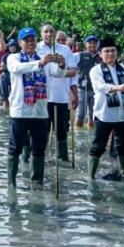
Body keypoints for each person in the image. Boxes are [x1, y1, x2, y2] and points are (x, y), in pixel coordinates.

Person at [6, 27, 65, 187]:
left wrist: (61, 63)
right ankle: (11, 184)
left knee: (39, 150)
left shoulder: (44, 60)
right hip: (20, 111)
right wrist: (40, 63)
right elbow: (16, 69)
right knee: (15, 148)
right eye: (27, 40)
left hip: (40, 112)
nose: (30, 43)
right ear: (20, 43)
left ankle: (37, 182)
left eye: (33, 39)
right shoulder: (14, 57)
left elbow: (58, 74)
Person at [86, 38, 124, 179]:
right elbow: (100, 87)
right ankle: (90, 178)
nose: (110, 54)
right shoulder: (96, 70)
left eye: (113, 51)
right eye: (107, 51)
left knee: (123, 147)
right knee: (98, 146)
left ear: (117, 53)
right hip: (104, 114)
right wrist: (119, 87)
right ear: (100, 54)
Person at [37, 24, 78, 164]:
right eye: (46, 31)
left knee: (61, 130)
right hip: (42, 97)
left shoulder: (65, 49)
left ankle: (63, 159)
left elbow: (73, 71)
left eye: (51, 32)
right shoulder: (36, 48)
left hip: (61, 96)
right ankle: (41, 156)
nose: (49, 34)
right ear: (41, 33)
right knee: (42, 129)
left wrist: (60, 71)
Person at [75, 35, 101, 128]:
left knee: (93, 115)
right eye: (89, 43)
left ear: (97, 44)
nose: (92, 45)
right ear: (86, 44)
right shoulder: (79, 55)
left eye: (94, 42)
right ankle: (79, 134)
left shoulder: (101, 57)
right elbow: (70, 66)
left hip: (95, 90)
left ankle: (90, 136)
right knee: (80, 114)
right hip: (82, 89)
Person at [0, 39, 19, 110]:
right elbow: (2, 67)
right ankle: (5, 100)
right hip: (8, 75)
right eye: (11, 46)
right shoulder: (5, 56)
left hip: (17, 75)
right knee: (3, 76)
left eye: (14, 46)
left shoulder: (19, 55)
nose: (12, 48)